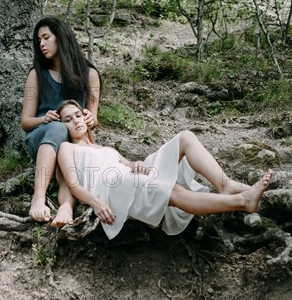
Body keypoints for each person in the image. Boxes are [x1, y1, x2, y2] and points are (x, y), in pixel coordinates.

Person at [55, 100, 273, 240]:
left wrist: (136, 164)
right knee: (174, 190)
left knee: (185, 137)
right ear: (61, 126)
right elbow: (73, 184)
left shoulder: (105, 148)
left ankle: (225, 185)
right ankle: (242, 201)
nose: (75, 120)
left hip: (129, 176)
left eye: (77, 115)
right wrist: (96, 202)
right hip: (112, 188)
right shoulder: (67, 148)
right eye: (67, 119)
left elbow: (129, 165)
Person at [21, 18, 101, 227]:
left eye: (46, 38)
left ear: (61, 38)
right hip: (42, 138)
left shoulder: (90, 74)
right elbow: (25, 122)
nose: (42, 44)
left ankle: (66, 207)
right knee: (57, 129)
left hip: (74, 141)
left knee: (68, 145)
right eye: (39, 40)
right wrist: (43, 119)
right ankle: (38, 197)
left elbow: (93, 118)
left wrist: (90, 119)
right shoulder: (36, 75)